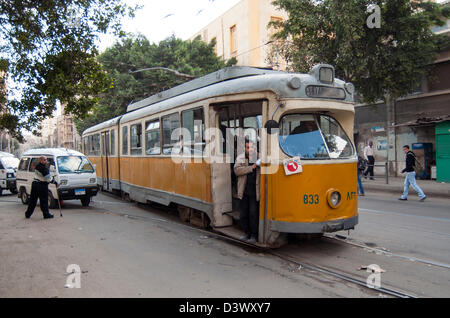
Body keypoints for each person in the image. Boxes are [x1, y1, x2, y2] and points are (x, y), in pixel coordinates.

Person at [234, 139, 261, 244]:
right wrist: (252, 167)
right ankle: (247, 233)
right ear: (244, 148)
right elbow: (237, 171)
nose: (250, 149)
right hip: (244, 191)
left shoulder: (260, 157)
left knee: (253, 214)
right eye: (248, 147)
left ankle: (254, 235)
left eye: (252, 147)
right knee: (243, 214)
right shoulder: (240, 158)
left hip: (255, 192)